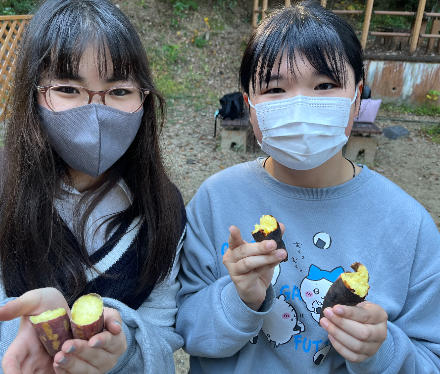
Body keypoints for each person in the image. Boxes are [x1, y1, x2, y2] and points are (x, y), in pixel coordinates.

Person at [176, 2, 440, 372]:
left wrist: (381, 351)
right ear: (250, 105)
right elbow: (185, 330)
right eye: (275, 88)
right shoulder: (215, 200)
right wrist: (240, 300)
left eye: (325, 85)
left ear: (356, 97)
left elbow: (431, 358)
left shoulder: (408, 226)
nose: (300, 104)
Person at [0, 0, 187, 372]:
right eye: (69, 89)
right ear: (33, 95)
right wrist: (14, 343)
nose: (96, 113)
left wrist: (121, 348)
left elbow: (162, 336)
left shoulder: (164, 209)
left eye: (119, 91)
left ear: (145, 99)